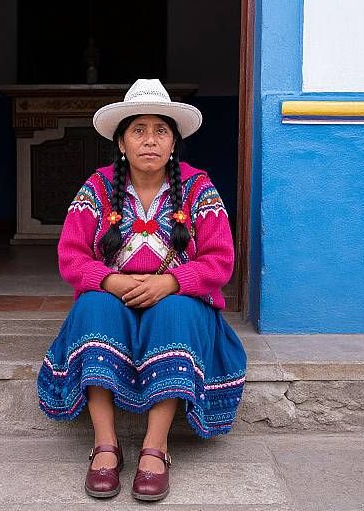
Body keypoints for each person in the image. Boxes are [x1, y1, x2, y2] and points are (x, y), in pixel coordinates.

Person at [36, 78, 247, 501]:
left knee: (174, 311)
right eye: (138, 130)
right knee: (92, 307)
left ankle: (155, 446)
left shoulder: (199, 189)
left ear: (174, 143)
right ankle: (105, 444)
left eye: (161, 131)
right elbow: (71, 257)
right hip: (114, 302)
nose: (150, 141)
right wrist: (109, 281)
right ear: (121, 142)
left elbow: (221, 261)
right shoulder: (96, 189)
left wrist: (172, 282)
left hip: (179, 308)